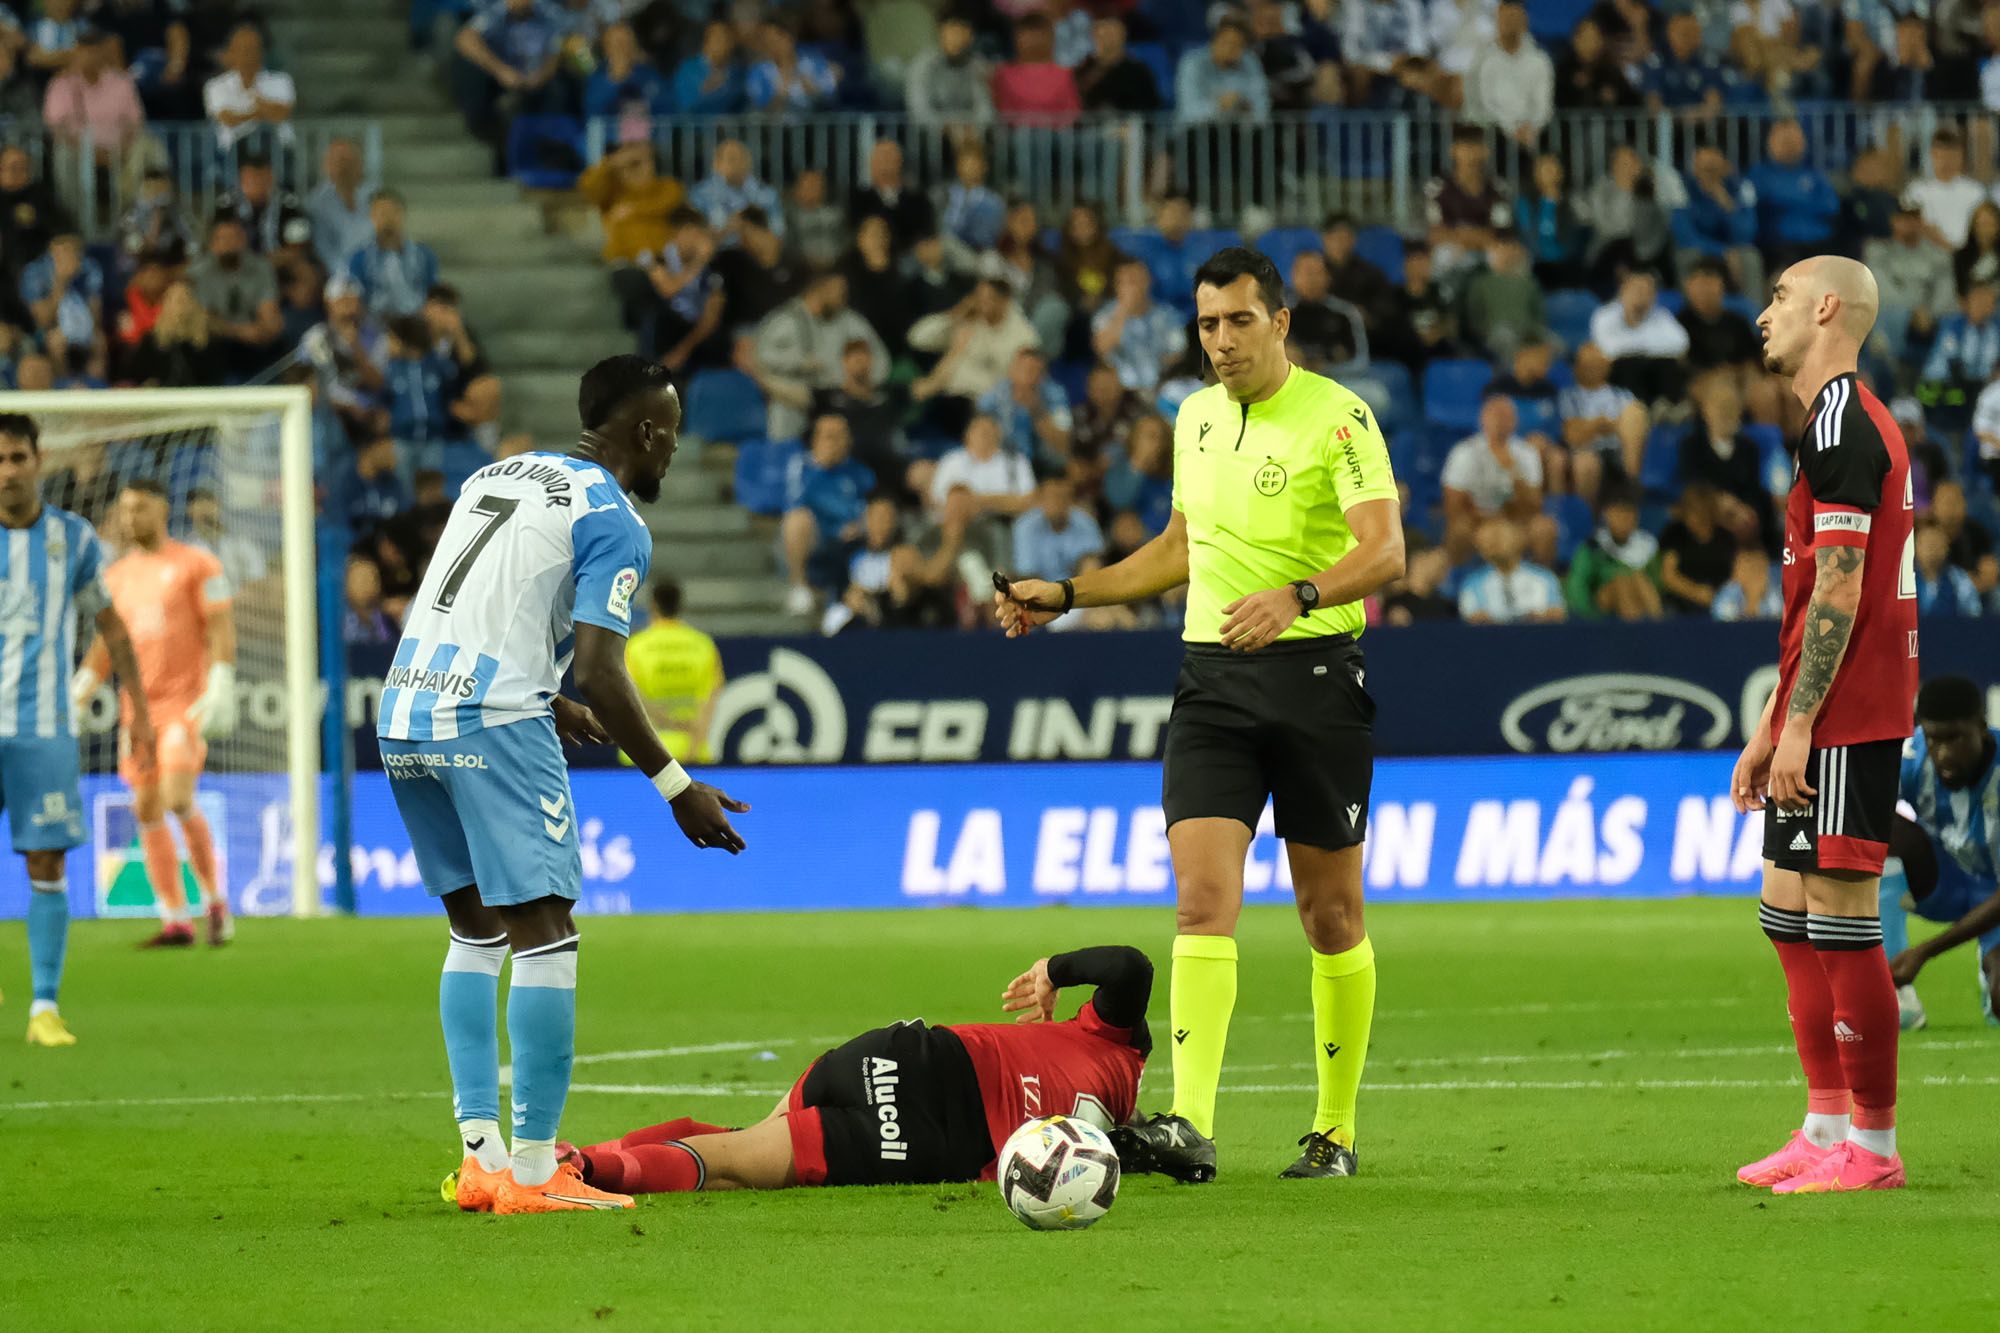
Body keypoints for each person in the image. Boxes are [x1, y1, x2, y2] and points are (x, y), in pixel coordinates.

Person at [993, 248, 1403, 1183]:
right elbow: (1180, 547)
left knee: (1329, 913)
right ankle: (1190, 1121)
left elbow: (1386, 552)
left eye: (1238, 322)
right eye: (1208, 324)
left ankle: (1333, 1130)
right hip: (1213, 683)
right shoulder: (1194, 417)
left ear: (1281, 321)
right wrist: (1068, 590)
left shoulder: (1340, 417)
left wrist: (1296, 595)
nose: (1220, 341)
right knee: (1200, 900)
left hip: (1317, 679)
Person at [378, 356, 748, 1215]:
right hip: (492, 718)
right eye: (674, 438)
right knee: (546, 934)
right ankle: (539, 1174)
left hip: (406, 709)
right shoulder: (614, 517)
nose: (673, 456)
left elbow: (484, 604)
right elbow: (603, 667)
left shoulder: (497, 473)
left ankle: (482, 1157)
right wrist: (674, 783)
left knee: (473, 929)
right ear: (648, 431)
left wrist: (556, 700)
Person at [1732, 254, 1919, 1195]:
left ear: (1828, 309)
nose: (1762, 315)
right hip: (1817, 710)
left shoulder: (1845, 422)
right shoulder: (1825, 425)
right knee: (1786, 910)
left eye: (1779, 299)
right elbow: (1813, 596)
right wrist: (1773, 722)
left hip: (1851, 712)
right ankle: (1824, 1121)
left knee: (1844, 920)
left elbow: (1843, 587)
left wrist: (1801, 722)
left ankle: (1874, 1148)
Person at [551, 945, 1150, 1195]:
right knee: (733, 1162)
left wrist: (1053, 967)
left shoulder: (1102, 1045)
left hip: (898, 1054)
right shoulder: (1100, 1118)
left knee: (741, 1146)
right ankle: (584, 1169)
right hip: (932, 1137)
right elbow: (1131, 969)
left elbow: (1128, 966)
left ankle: (562, 1159)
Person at [0, 414, 154, 1046]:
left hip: (44, 727)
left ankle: (43, 1007)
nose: (7, 471)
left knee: (47, 860)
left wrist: (139, 711)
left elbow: (111, 627)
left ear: (39, 460)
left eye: (16, 457)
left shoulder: (74, 537)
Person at [71, 478, 235, 947]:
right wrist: (80, 689)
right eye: (124, 510)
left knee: (177, 797)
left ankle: (215, 902)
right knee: (145, 807)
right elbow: (107, 645)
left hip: (184, 704)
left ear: (162, 510)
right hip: (139, 710)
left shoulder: (196, 563)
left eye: (139, 509)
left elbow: (219, 624)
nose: (129, 519)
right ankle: (175, 918)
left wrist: (222, 678)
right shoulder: (117, 576)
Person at [1882, 676, 2000, 1029]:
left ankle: (1990, 965)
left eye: (1956, 739)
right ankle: (1893, 997)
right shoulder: (1913, 757)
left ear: (1981, 728)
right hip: (1945, 880)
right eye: (1934, 739)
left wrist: (1925, 951)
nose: (1943, 753)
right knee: (1874, 828)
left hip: (1995, 897)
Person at [779, 413, 872, 616]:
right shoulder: (802, 466)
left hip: (852, 540)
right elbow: (794, 502)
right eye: (830, 436)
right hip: (817, 536)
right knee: (796, 520)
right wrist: (822, 467)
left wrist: (861, 525)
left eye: (841, 436)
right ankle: (799, 586)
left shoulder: (859, 471)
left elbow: (871, 506)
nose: (836, 443)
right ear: (815, 440)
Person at [622, 578, 722, 765]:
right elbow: (711, 700)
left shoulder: (635, 647)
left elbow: (631, 696)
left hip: (645, 751)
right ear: (679, 604)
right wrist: (694, 746)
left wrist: (667, 722)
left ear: (653, 605)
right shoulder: (704, 645)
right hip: (693, 748)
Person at [1563, 485, 1662, 621]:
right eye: (1618, 513)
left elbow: (1657, 585)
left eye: (1628, 513)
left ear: (1636, 516)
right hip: (1602, 609)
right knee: (1620, 583)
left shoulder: (1648, 546)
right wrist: (1590, 619)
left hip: (1642, 603)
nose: (1623, 519)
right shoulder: (1593, 547)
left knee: (1637, 578)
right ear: (1607, 514)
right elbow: (1577, 587)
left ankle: (1657, 630)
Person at [1459, 515, 1565, 624]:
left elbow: (1557, 613)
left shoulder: (1545, 578)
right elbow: (1472, 618)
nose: (1494, 543)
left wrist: (1540, 617)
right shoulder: (1473, 583)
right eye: (1487, 539)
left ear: (1519, 538)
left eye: (1499, 536)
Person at [1712, 545, 1783, 620]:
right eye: (1745, 567)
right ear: (1734, 572)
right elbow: (1723, 616)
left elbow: (1778, 614)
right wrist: (1751, 601)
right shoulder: (1728, 593)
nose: (1752, 574)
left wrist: (1757, 597)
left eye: (1758, 568)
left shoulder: (1776, 593)